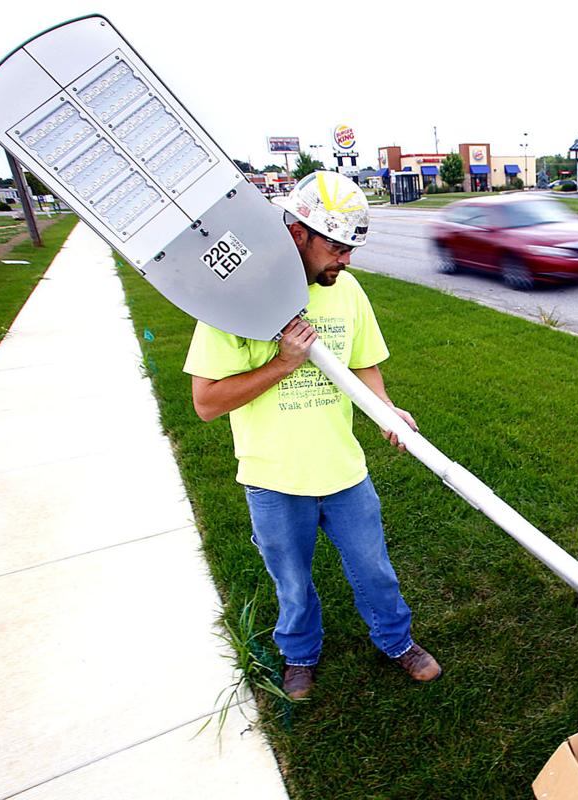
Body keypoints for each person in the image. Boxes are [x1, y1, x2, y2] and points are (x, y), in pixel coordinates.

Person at [183, 172, 440, 699]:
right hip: (273, 478)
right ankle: (299, 655)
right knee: (293, 584)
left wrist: (386, 411)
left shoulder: (347, 290)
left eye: (351, 248)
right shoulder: (234, 300)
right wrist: (284, 363)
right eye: (336, 246)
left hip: (343, 471)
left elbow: (364, 365)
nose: (345, 260)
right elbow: (206, 403)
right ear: (296, 232)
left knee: (375, 569)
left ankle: (396, 641)